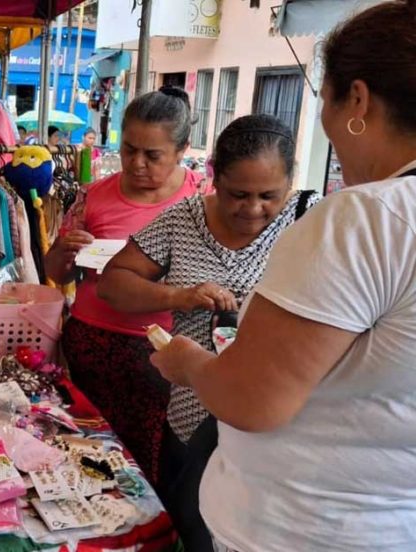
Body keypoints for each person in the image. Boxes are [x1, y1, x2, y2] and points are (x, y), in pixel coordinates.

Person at [149, 2, 416, 550]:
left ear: (358, 99)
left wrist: (189, 362)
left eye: (324, 101)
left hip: (301, 529)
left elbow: (253, 398)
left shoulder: (368, 217)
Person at [98, 113, 319, 549]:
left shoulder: (310, 221)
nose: (253, 209)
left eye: (268, 196)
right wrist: (178, 296)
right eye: (238, 194)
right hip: (193, 415)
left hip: (277, 423)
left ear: (290, 181)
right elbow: (112, 283)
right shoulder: (182, 221)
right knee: (194, 529)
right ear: (214, 175)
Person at [45, 86, 203, 482]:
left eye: (153, 155)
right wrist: (65, 250)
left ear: (182, 148)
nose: (136, 163)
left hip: (164, 351)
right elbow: (57, 273)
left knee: (151, 462)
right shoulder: (93, 196)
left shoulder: (202, 199)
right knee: (86, 453)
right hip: (93, 344)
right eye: (129, 149)